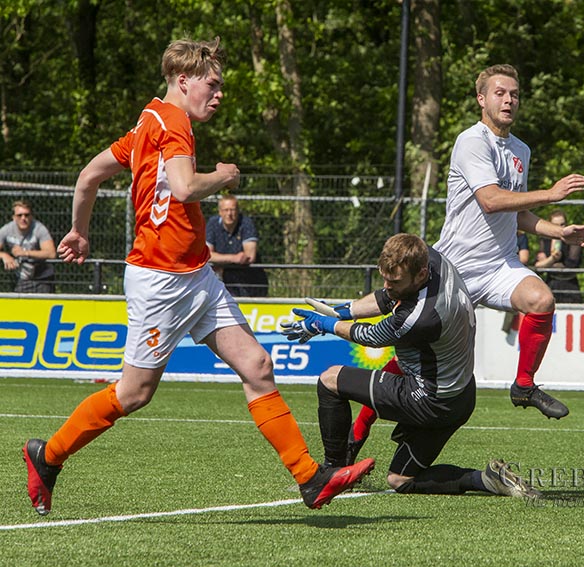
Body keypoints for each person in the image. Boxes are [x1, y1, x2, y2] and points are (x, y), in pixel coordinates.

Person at [22, 37, 373, 517]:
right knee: (134, 393)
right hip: (161, 281)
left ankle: (310, 478)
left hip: (196, 276)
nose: (219, 93)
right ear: (183, 81)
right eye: (213, 83)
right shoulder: (174, 122)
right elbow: (186, 187)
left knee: (257, 365)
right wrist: (224, 176)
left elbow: (88, 176)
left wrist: (79, 232)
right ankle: (48, 456)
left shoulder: (147, 121)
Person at [281, 233, 540, 499]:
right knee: (400, 479)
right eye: (384, 277)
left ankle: (333, 473)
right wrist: (344, 311)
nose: (387, 286)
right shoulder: (432, 259)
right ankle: (488, 479)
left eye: (394, 281)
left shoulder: (421, 316)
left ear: (420, 274)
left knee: (330, 379)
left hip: (427, 398)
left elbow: (369, 336)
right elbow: (388, 296)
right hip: (459, 399)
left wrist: (323, 324)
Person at [431, 63, 584, 419]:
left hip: (499, 265)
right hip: (456, 269)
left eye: (514, 94)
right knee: (418, 356)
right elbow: (491, 200)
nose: (509, 100)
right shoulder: (471, 141)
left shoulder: (520, 150)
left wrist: (559, 232)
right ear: (481, 99)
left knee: (541, 300)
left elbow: (517, 213)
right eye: (500, 93)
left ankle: (524, 385)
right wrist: (551, 195)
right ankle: (358, 431)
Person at [206, 195, 269, 297]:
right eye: (226, 210)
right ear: (220, 212)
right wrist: (234, 258)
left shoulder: (246, 223)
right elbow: (207, 255)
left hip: (252, 282)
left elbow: (250, 256)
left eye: (232, 210)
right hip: (226, 283)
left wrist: (220, 260)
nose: (229, 214)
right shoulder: (213, 224)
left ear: (238, 211)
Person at [0, 200, 56, 293]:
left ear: (31, 216)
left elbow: (51, 253)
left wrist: (25, 253)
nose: (23, 218)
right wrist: (4, 255)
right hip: (20, 280)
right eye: (19, 215)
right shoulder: (7, 229)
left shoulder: (39, 229)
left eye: (27, 215)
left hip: (42, 279)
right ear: (13, 217)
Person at [535, 210, 582, 304]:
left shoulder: (573, 240)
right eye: (555, 225)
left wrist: (547, 263)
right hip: (550, 283)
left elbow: (571, 265)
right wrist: (553, 259)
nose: (560, 228)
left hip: (569, 285)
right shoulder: (545, 240)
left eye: (562, 224)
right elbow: (538, 267)